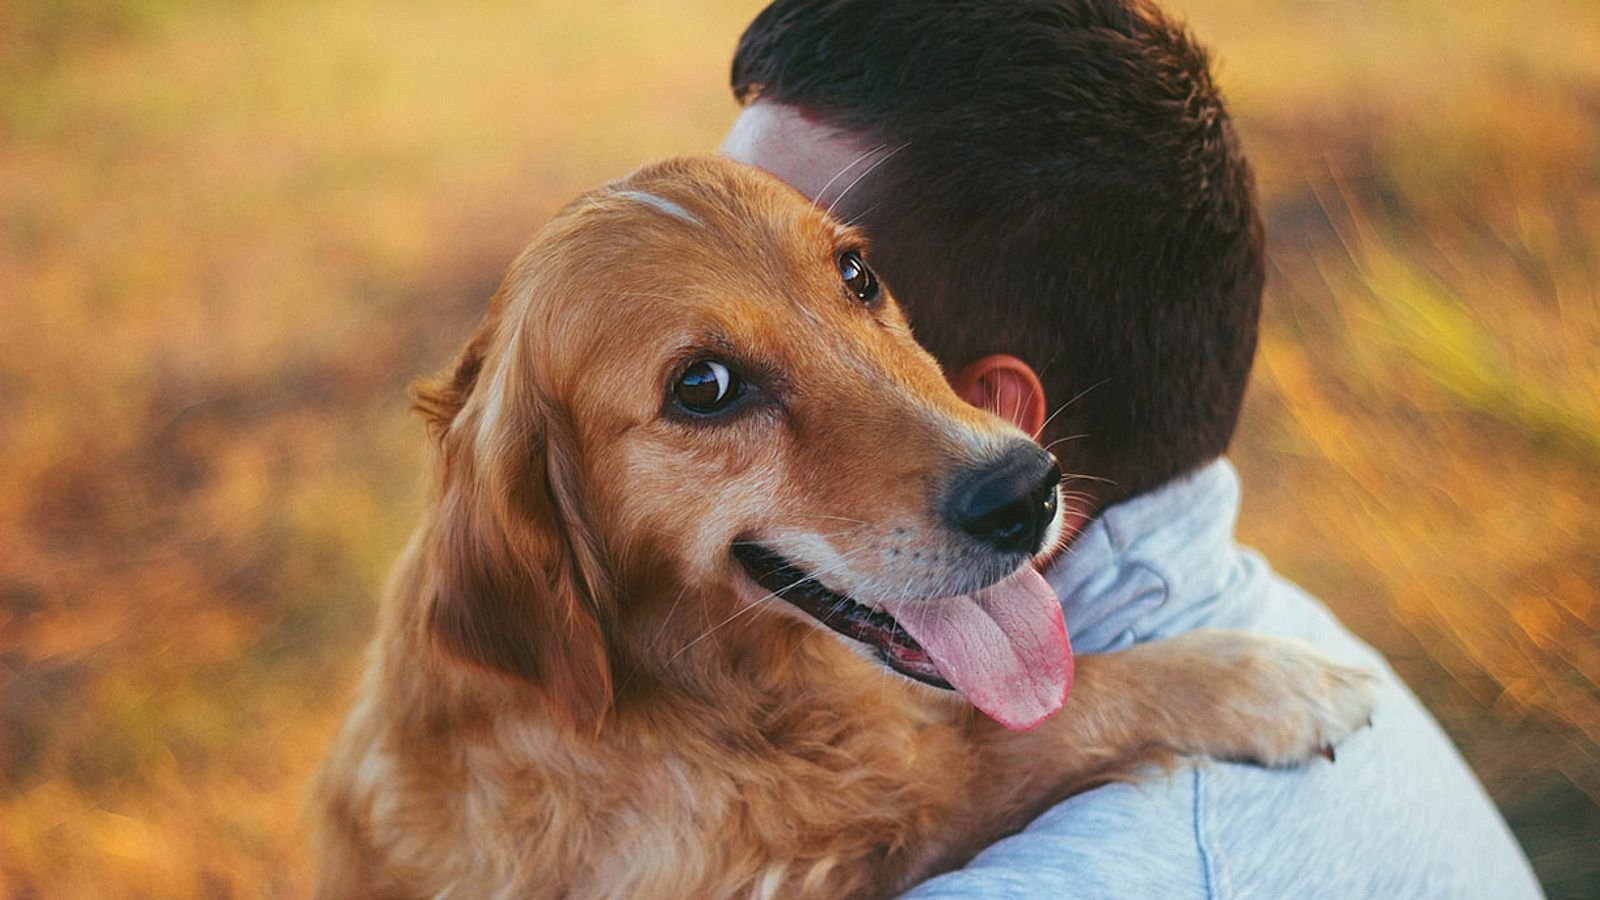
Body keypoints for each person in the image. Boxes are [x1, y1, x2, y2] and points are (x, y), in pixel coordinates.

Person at [719, 1, 1543, 895]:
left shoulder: (1100, 867)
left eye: (846, 282)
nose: (685, 248)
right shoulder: (1278, 640)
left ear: (989, 423)